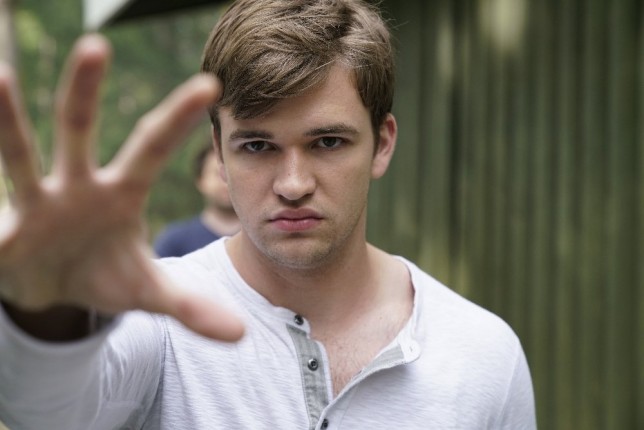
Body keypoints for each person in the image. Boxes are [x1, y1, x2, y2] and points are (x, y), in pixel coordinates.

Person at [0, 0, 537, 429]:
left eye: (328, 142)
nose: (293, 184)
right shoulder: (163, 318)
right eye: (257, 146)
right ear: (218, 151)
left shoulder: (482, 352)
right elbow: (45, 410)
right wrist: (46, 313)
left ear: (382, 144)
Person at [154, 144, 240, 257]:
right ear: (200, 180)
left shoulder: (259, 239)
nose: (226, 182)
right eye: (218, 174)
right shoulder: (175, 241)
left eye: (233, 173)